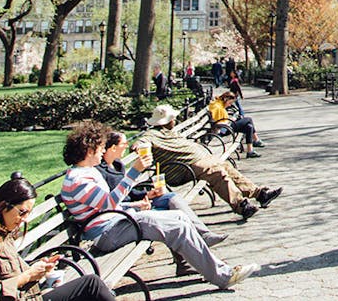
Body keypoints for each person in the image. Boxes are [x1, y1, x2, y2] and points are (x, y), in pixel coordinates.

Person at [59, 121, 252, 289]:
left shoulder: (87, 172)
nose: (103, 151)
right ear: (89, 150)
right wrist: (134, 172)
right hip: (106, 234)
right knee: (177, 227)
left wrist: (134, 206)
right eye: (100, 147)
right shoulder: (78, 179)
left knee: (179, 217)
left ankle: (211, 266)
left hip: (116, 224)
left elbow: (106, 207)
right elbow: (108, 203)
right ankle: (223, 276)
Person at [0, 174, 116, 301]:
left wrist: (39, 268)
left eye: (28, 213)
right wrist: (27, 276)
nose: (25, 219)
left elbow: (13, 271)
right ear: (3, 206)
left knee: (93, 287)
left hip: (33, 296)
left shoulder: (4, 235)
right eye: (22, 212)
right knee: (92, 285)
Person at [141, 104, 280, 219]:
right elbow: (140, 143)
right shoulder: (152, 134)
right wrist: (144, 148)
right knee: (216, 172)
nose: (175, 120)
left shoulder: (169, 131)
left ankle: (260, 194)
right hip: (182, 168)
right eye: (173, 118)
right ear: (167, 120)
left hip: (197, 161)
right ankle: (241, 206)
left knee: (226, 166)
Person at [97, 131, 225, 246]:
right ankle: (187, 259)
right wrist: (136, 205)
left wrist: (148, 193)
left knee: (172, 198)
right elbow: (111, 202)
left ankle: (204, 234)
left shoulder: (118, 164)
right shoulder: (101, 173)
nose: (126, 146)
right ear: (113, 148)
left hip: (138, 205)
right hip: (124, 215)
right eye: (124, 144)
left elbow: (129, 190)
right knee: (173, 219)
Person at [207, 90, 263, 158]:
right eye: (230, 103)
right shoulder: (218, 107)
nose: (230, 105)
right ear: (226, 99)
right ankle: (256, 140)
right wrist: (230, 120)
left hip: (226, 126)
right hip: (224, 129)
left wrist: (231, 120)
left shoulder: (219, 104)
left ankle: (250, 151)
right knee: (249, 119)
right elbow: (219, 122)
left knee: (249, 126)